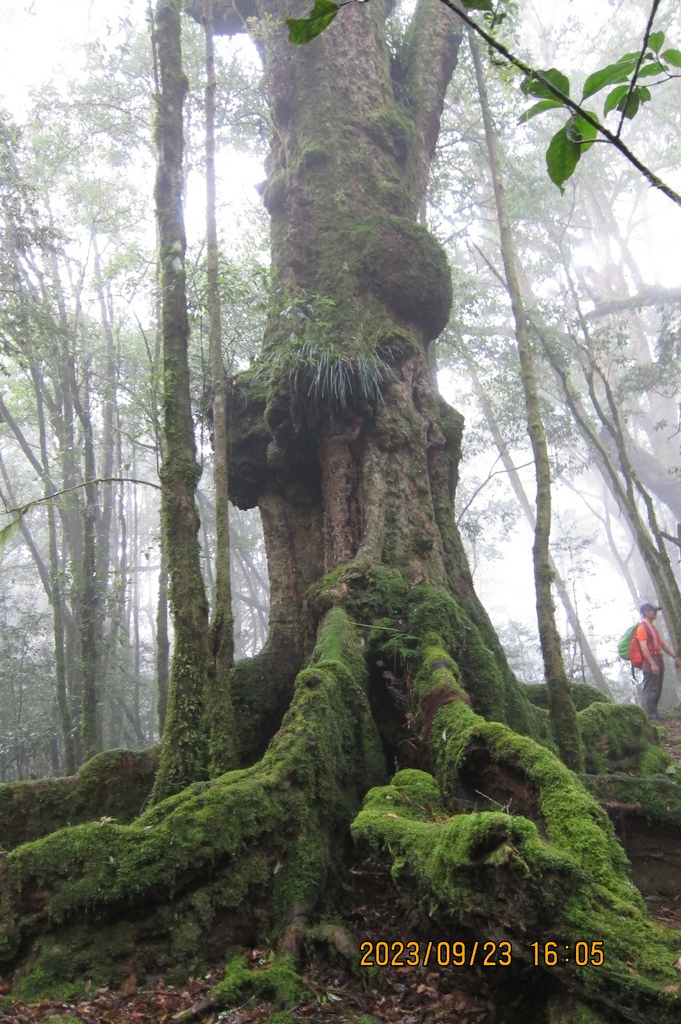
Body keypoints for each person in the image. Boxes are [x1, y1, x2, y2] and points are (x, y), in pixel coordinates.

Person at [634, 602, 681, 721]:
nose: (655, 613)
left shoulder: (652, 628)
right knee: (650, 688)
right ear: (646, 612)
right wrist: (652, 663)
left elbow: (663, 645)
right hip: (650, 660)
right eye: (653, 610)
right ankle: (649, 716)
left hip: (658, 658)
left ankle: (655, 714)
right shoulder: (642, 627)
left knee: (658, 688)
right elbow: (643, 647)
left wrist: (675, 657)